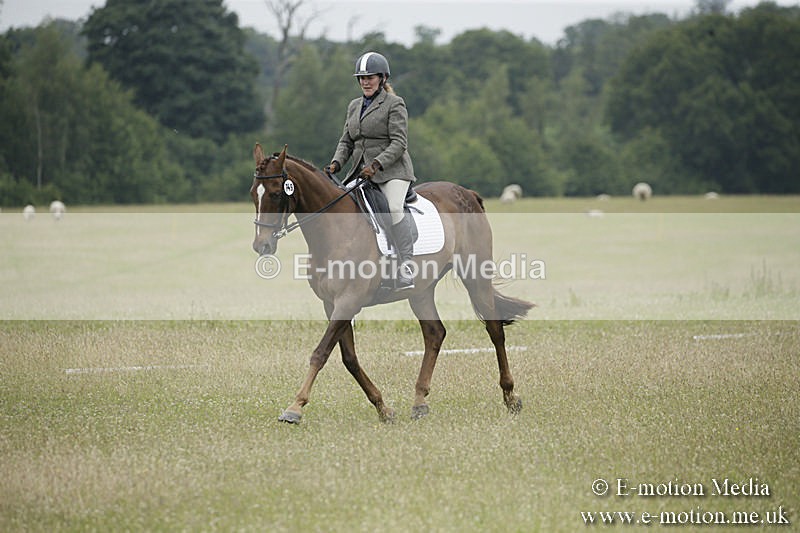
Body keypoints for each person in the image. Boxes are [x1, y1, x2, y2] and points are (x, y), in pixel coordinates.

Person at [325, 52, 417, 291]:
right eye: (361, 78)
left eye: (370, 77)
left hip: (391, 171)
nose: (365, 82)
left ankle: (406, 264)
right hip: (360, 172)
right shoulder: (354, 106)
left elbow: (399, 143)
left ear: (382, 77)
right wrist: (336, 163)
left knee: (394, 208)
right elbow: (346, 141)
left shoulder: (395, 104)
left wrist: (376, 164)